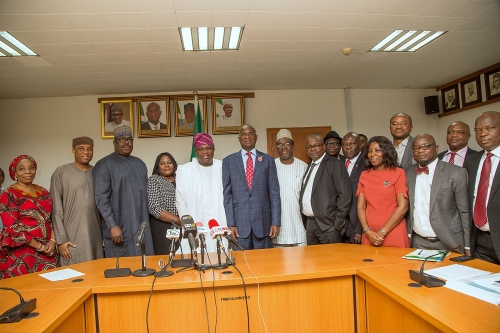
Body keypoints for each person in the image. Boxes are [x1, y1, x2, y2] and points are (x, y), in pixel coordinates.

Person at [93, 125, 154, 257]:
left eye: (129, 139)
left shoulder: (140, 164)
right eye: (121, 139)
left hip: (141, 222)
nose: (126, 142)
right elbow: (101, 198)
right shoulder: (104, 164)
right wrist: (112, 225)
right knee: (122, 267)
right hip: (120, 225)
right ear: (114, 142)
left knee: (146, 262)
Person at [406, 134, 470, 254]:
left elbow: (464, 212)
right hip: (417, 242)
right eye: (416, 148)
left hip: (448, 241)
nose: (421, 151)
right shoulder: (408, 173)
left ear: (436, 148)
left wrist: (467, 246)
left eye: (426, 146)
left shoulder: (457, 173)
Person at [222, 124, 281, 250]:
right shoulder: (228, 161)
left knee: (264, 265)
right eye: (244, 134)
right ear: (239, 138)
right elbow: (227, 195)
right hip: (239, 225)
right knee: (242, 264)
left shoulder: (268, 160)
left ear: (256, 137)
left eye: (250, 134)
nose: (247, 137)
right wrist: (230, 224)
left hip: (263, 223)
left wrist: (275, 222)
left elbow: (274, 193)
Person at [0, 155, 58, 278]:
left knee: (51, 290)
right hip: (22, 253)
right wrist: (39, 246)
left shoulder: (43, 191)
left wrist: (52, 241)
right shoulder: (9, 195)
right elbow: (13, 228)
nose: (27, 172)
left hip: (48, 250)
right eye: (21, 169)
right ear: (14, 172)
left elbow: (51, 218)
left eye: (31, 168)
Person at [50, 137, 103, 266]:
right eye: (81, 149)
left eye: (90, 149)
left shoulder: (98, 172)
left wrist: (105, 236)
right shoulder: (61, 172)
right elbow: (56, 210)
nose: (86, 152)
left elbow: (104, 205)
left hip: (95, 235)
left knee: (97, 273)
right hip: (72, 236)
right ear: (73, 150)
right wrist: (61, 240)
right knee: (75, 276)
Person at [176, 133, 228, 253]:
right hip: (195, 219)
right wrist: (188, 226)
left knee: (221, 257)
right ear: (195, 151)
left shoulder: (223, 166)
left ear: (214, 149)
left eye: (208, 148)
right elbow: (180, 201)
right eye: (201, 149)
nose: (205, 152)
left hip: (219, 220)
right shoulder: (184, 170)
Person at [357, 136, 409, 248]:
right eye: (370, 151)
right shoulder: (364, 175)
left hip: (393, 229)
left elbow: (403, 207)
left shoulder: (398, 173)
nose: (372, 154)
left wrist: (382, 232)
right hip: (369, 231)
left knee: (396, 265)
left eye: (377, 150)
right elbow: (361, 206)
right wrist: (366, 230)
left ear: (386, 151)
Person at [299, 134, 352, 245]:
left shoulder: (335, 164)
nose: (312, 149)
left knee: (331, 261)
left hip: (328, 225)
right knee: (312, 261)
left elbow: (345, 195)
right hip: (310, 224)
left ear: (323, 146)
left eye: (316, 146)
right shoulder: (309, 166)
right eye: (309, 147)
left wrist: (337, 223)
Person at [464, 111, 500, 264]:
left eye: (489, 128)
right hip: (479, 241)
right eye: (478, 130)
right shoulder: (471, 161)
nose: (483, 134)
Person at [273, 129, 307, 247]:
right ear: (276, 147)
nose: (284, 147)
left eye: (287, 143)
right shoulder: (271, 166)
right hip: (277, 229)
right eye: (280, 144)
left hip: (299, 227)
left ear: (293, 146)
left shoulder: (303, 166)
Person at [147, 152, 180, 255]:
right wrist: (178, 220)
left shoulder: (181, 179)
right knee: (167, 257)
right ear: (158, 166)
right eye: (162, 163)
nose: (166, 165)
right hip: (163, 227)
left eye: (169, 162)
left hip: (181, 225)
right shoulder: (154, 180)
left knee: (182, 257)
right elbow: (154, 208)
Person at [342, 132, 365, 244]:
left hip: (357, 224)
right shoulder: (340, 163)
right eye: (345, 144)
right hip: (342, 225)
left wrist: (359, 229)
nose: (348, 147)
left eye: (352, 144)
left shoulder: (366, 164)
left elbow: (367, 200)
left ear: (360, 144)